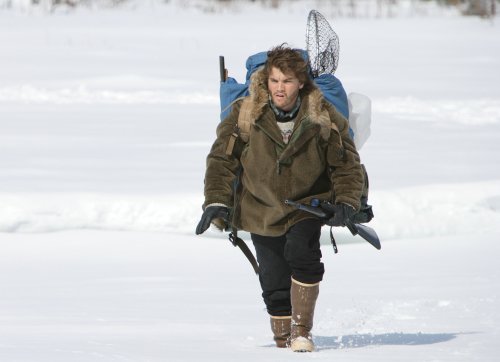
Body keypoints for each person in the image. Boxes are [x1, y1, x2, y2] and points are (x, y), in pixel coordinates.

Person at [196, 44, 365, 352]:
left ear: (301, 82)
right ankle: (282, 342)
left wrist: (347, 202)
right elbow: (221, 160)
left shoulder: (322, 114)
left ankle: (302, 332)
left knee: (303, 253)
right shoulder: (245, 113)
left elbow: (346, 164)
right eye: (274, 80)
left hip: (307, 204)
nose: (279, 88)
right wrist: (216, 201)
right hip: (260, 207)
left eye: (286, 81)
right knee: (273, 282)